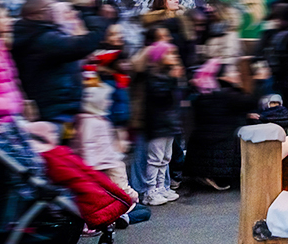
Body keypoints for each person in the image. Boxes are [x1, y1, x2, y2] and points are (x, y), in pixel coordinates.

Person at [10, 0, 109, 127]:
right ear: (37, 15)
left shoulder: (36, 34)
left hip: (56, 107)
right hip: (53, 110)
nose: (54, 11)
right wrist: (99, 25)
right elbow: (81, 46)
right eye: (50, 8)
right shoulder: (43, 39)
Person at [183, 58, 257, 191]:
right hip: (220, 143)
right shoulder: (227, 94)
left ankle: (205, 175)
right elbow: (250, 101)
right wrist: (250, 76)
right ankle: (214, 177)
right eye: (231, 72)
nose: (236, 74)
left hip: (200, 144)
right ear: (222, 77)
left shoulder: (203, 93)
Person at [136, 42, 184, 205]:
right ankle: (150, 191)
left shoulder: (166, 75)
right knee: (155, 159)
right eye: (169, 53)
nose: (173, 56)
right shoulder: (152, 75)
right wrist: (173, 79)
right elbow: (160, 96)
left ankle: (161, 187)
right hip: (157, 124)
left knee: (165, 158)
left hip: (168, 122)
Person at [75, 81, 137, 206]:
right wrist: (91, 166)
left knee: (117, 175)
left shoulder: (100, 120)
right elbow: (87, 144)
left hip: (106, 161)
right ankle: (127, 202)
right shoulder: (90, 122)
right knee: (116, 180)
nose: (109, 102)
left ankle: (127, 201)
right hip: (100, 164)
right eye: (106, 99)